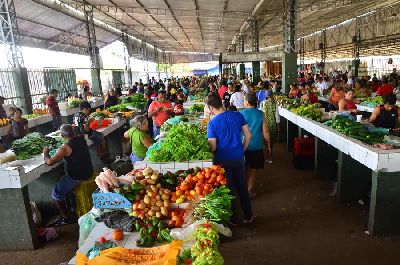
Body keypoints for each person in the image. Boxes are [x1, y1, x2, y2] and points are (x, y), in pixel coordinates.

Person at [206, 92, 254, 225]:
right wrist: (242, 149)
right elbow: (248, 135)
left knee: (229, 189)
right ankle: (248, 215)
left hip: (222, 161)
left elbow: (213, 147)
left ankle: (233, 218)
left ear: (210, 108)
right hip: (238, 158)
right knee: (242, 188)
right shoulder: (237, 115)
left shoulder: (212, 123)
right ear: (221, 102)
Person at [43, 124, 93, 225]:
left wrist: (45, 153)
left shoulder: (64, 148)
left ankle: (66, 218)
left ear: (61, 136)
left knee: (56, 193)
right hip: (88, 171)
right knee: (64, 179)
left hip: (77, 176)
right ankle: (72, 206)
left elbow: (49, 162)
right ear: (73, 132)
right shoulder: (81, 139)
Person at [240, 93, 271, 198]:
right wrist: (268, 146)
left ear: (247, 102)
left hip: (243, 146)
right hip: (257, 146)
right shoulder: (261, 114)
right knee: (253, 170)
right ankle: (248, 191)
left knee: (243, 169)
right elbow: (266, 132)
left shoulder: (240, 113)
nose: (243, 102)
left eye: (244, 100)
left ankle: (242, 191)